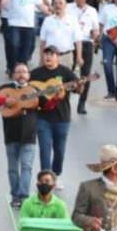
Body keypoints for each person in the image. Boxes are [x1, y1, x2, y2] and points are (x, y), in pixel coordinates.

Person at [0, 63, 39, 208]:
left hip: (29, 135)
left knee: (27, 167)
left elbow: (48, 104)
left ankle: (23, 196)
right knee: (13, 168)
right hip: (11, 134)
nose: (21, 74)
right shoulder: (5, 89)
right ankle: (15, 195)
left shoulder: (34, 90)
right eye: (18, 72)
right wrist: (4, 101)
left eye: (24, 72)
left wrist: (55, 94)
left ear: (28, 75)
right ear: (13, 75)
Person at [30, 46, 81, 180]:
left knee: (59, 151)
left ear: (58, 57)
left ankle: (56, 174)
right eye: (46, 54)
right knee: (44, 150)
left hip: (62, 117)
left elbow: (78, 89)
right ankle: (46, 178)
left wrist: (78, 86)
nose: (48, 57)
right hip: (42, 117)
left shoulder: (65, 72)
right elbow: (26, 91)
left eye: (52, 54)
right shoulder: (35, 73)